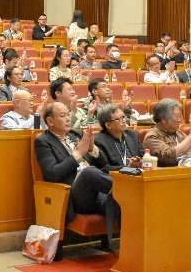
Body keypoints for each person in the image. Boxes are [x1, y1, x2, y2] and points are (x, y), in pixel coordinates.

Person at [35, 101, 120, 246]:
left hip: (98, 190)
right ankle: (126, 189)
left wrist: (92, 149)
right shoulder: (43, 141)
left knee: (123, 205)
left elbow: (103, 164)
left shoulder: (76, 134)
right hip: (75, 196)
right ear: (50, 121)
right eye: (63, 116)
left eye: (68, 114)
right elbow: (52, 174)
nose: (68, 118)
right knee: (88, 173)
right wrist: (78, 155)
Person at [142, 98, 191, 167]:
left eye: (180, 117)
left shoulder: (179, 133)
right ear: (163, 119)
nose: (179, 120)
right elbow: (170, 157)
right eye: (177, 117)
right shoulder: (152, 136)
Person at [93, 103, 142, 170]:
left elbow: (144, 157)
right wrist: (128, 168)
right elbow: (105, 168)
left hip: (138, 174)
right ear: (108, 125)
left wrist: (141, 162)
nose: (124, 121)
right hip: (114, 176)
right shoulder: (99, 141)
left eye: (123, 117)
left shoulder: (133, 135)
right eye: (119, 119)